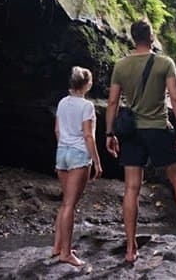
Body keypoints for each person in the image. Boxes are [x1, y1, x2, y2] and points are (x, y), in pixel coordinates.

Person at [105, 19, 176, 263]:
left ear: (133, 38)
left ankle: (131, 249)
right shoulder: (164, 63)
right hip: (158, 130)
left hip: (131, 133)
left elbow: (112, 102)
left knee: (131, 188)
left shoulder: (121, 66)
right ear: (151, 37)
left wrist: (109, 133)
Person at [52, 66, 102, 266]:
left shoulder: (62, 102)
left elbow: (57, 130)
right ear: (86, 84)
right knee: (70, 205)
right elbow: (88, 135)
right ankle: (65, 253)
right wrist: (97, 161)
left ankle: (57, 247)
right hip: (78, 155)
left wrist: (63, 147)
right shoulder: (86, 106)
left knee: (65, 202)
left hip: (62, 153)